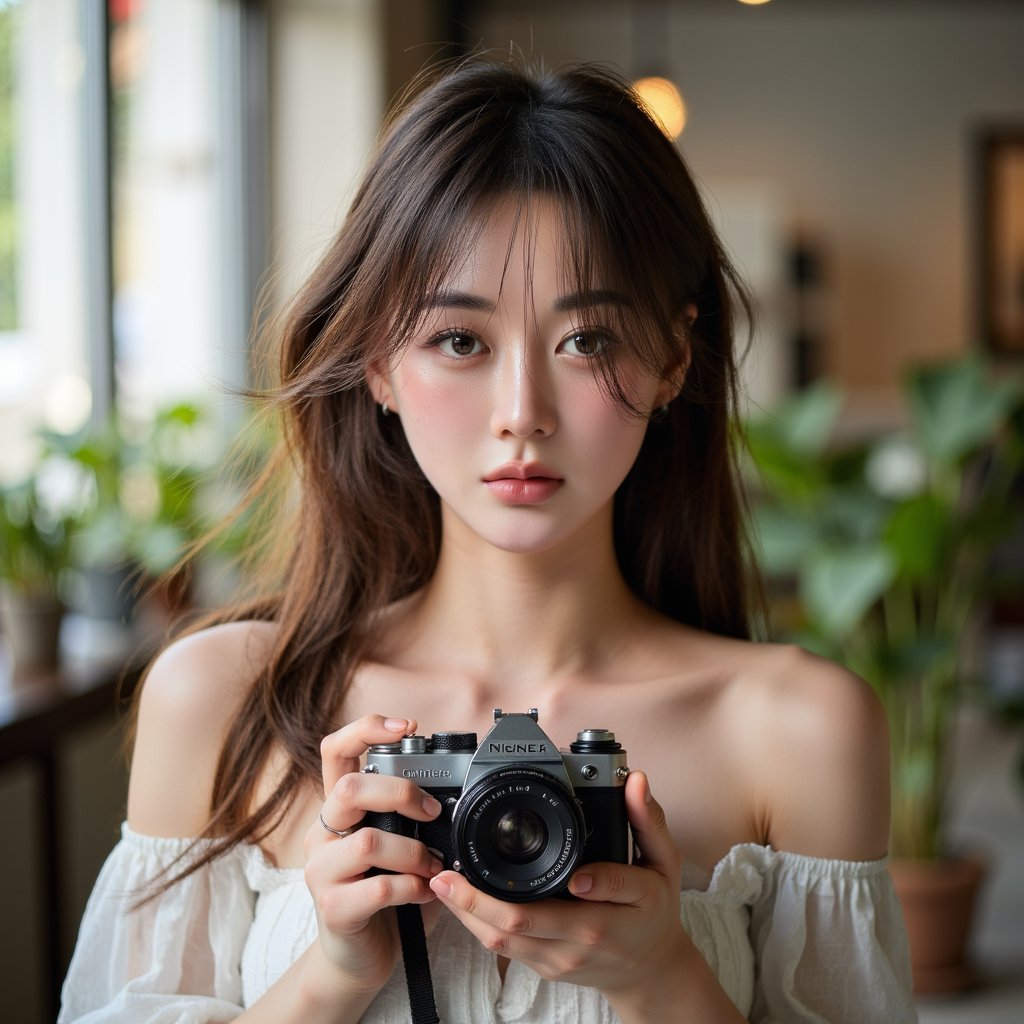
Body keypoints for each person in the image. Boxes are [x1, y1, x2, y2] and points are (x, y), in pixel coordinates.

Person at [60, 56, 916, 1024]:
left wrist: (659, 978)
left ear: (673, 357)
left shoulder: (799, 729)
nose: (522, 414)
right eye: (459, 341)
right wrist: (333, 972)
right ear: (377, 362)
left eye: (586, 339)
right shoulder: (223, 699)